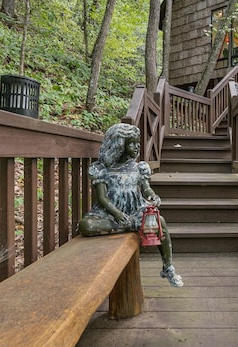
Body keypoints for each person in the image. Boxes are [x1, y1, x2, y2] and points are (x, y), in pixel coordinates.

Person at [78, 123, 183, 287]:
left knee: (160, 221)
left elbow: (146, 188)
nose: (137, 147)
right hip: (110, 214)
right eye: (132, 143)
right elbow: (102, 198)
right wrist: (117, 214)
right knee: (87, 225)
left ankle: (168, 266)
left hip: (136, 211)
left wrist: (152, 196)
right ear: (119, 145)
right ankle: (131, 226)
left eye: (137, 143)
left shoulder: (138, 168)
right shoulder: (102, 169)